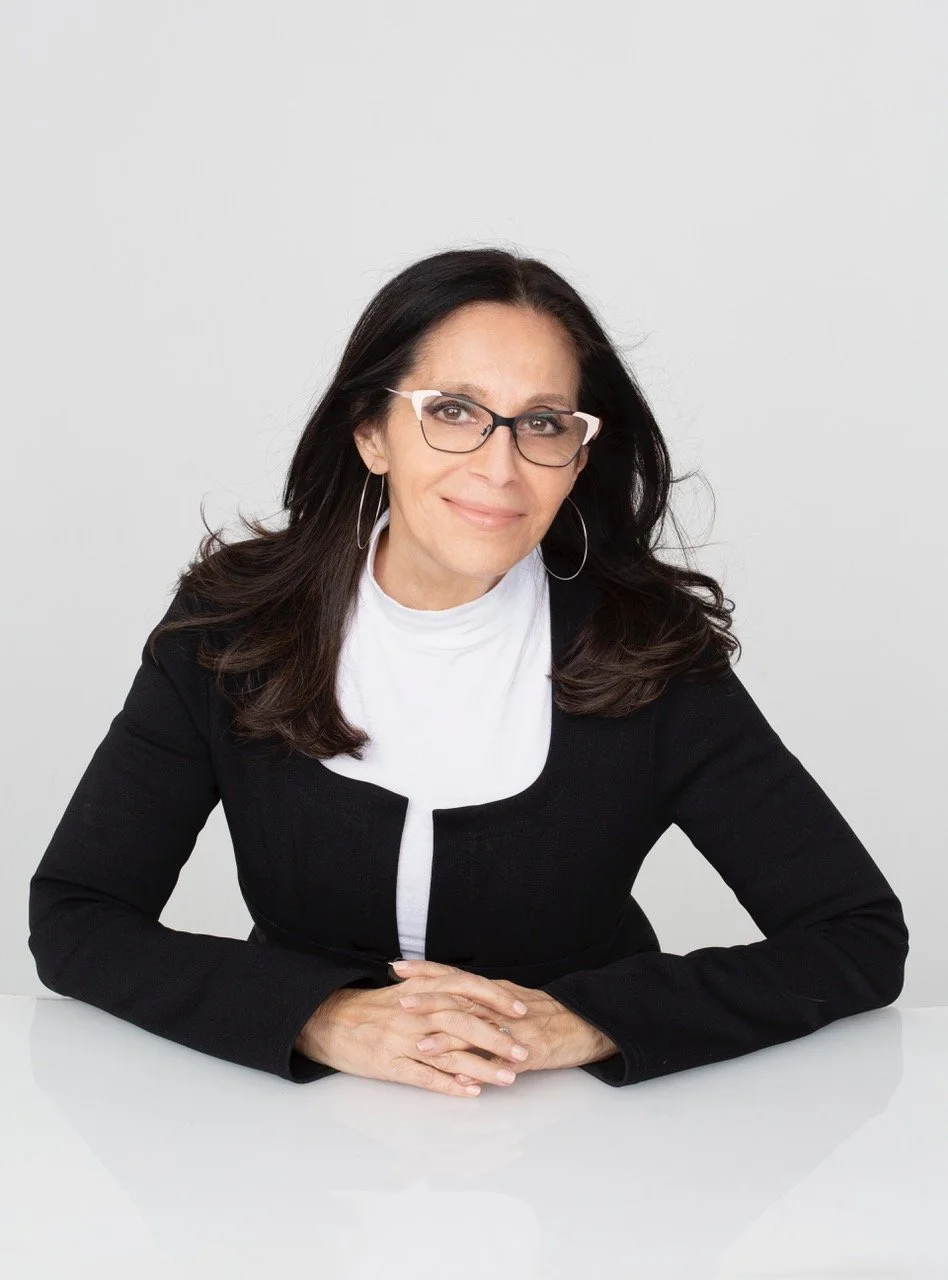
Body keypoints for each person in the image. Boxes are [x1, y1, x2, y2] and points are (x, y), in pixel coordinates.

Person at [28, 247, 909, 1099]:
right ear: (372, 431)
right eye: (453, 410)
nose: (500, 465)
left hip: (588, 1143)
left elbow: (857, 935)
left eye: (543, 423)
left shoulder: (650, 650)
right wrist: (320, 1018)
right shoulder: (229, 630)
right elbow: (76, 916)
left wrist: (583, 1020)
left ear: (578, 456)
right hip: (293, 1144)